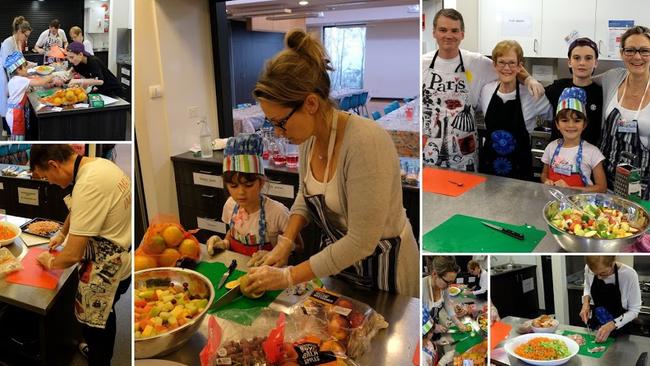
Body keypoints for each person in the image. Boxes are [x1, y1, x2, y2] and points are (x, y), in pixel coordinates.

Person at [243, 29, 419, 297]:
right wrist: (285, 242)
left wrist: (287, 276)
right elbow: (306, 194)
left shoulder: (365, 142)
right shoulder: (310, 139)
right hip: (340, 266)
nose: (278, 132)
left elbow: (361, 242)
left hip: (385, 272)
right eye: (272, 123)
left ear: (311, 103)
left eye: (281, 122)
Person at [31, 144, 131, 366]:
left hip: (108, 270)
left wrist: (50, 261)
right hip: (121, 259)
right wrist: (62, 232)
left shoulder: (89, 183)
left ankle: (100, 359)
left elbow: (73, 255)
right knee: (101, 317)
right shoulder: (99, 166)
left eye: (46, 176)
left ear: (53, 165)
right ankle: (96, 349)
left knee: (98, 323)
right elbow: (79, 208)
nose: (49, 182)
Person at [422, 8, 545, 171]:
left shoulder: (477, 62)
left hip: (465, 153)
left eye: (454, 30)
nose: (448, 35)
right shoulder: (422, 63)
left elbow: (508, 67)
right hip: (429, 149)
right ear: (434, 32)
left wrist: (528, 78)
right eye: (443, 30)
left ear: (462, 34)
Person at [205, 133, 298, 257]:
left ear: (261, 182)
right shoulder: (230, 205)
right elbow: (232, 233)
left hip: (268, 272)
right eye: (233, 186)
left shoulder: (277, 213)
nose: (241, 192)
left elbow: (299, 247)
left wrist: (276, 253)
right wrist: (225, 243)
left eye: (248, 185)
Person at [477, 40, 552, 180]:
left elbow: (556, 117)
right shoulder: (486, 90)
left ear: (520, 67)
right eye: (501, 62)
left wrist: (530, 79)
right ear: (494, 65)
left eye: (512, 63)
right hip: (489, 170)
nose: (507, 68)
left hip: (520, 172)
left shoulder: (532, 94)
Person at [596, 26, 650, 199]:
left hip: (642, 188)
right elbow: (582, 78)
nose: (637, 57)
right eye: (630, 50)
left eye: (644, 51)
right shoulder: (612, 77)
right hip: (606, 182)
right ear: (621, 53)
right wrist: (526, 78)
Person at [541, 87, 607, 191]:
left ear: (584, 124)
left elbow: (602, 188)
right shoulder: (551, 147)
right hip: (553, 202)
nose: (571, 125)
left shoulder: (593, 152)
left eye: (577, 121)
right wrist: (546, 180)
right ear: (557, 124)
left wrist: (570, 189)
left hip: (580, 205)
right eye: (564, 120)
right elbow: (544, 174)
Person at [545, 38, 603, 146]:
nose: (582, 63)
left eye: (588, 58)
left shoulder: (602, 93)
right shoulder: (557, 87)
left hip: (590, 158)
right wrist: (529, 80)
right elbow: (534, 93)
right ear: (569, 62)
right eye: (576, 58)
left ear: (595, 63)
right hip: (558, 157)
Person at [579, 256, 641, 342]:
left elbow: (634, 310)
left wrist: (613, 324)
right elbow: (588, 286)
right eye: (595, 274)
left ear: (613, 263)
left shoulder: (628, 275)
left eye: (603, 273)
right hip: (596, 327)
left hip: (621, 332)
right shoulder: (589, 268)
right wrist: (585, 304)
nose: (599, 277)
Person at [3, 51, 53, 140]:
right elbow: (40, 82)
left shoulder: (14, 80)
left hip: (12, 112)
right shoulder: (20, 80)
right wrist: (53, 75)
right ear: (18, 69)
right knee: (18, 139)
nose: (27, 68)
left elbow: (12, 92)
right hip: (16, 115)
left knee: (16, 136)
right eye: (25, 66)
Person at [422, 256, 469, 338]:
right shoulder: (421, 287)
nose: (449, 286)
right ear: (434, 274)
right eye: (447, 282)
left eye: (451, 282)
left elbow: (447, 303)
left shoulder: (444, 287)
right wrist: (433, 327)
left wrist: (457, 322)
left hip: (435, 322)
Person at [1, 16, 32, 136]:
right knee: (7, 105)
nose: (26, 38)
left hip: (14, 78)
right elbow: (7, 64)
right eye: (26, 35)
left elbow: (20, 60)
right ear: (20, 32)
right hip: (6, 78)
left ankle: (9, 130)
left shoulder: (17, 42)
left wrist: (29, 65)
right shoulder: (8, 42)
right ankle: (7, 130)